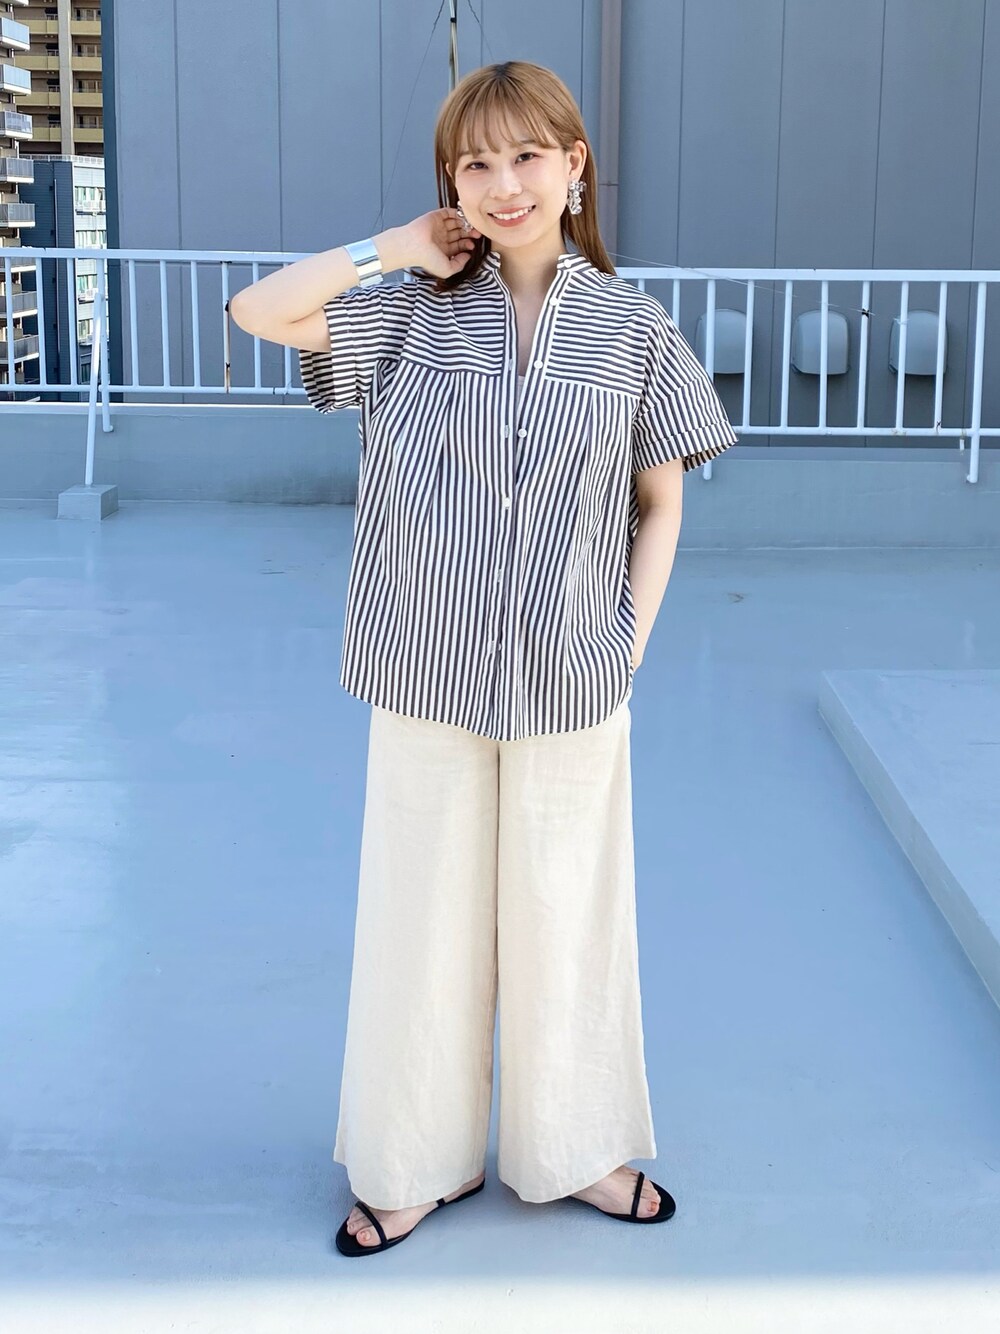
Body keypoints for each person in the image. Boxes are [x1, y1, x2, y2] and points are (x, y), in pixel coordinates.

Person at [230, 60, 738, 1257]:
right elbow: (258, 309)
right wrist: (392, 247)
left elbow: (661, 499)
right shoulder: (409, 310)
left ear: (574, 165)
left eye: (526, 155)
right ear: (450, 184)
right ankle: (414, 1161)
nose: (505, 183)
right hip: (425, 668)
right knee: (420, 921)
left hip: (575, 676)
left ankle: (577, 1149)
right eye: (476, 162)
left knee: (570, 919)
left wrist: (625, 644)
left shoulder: (632, 328)